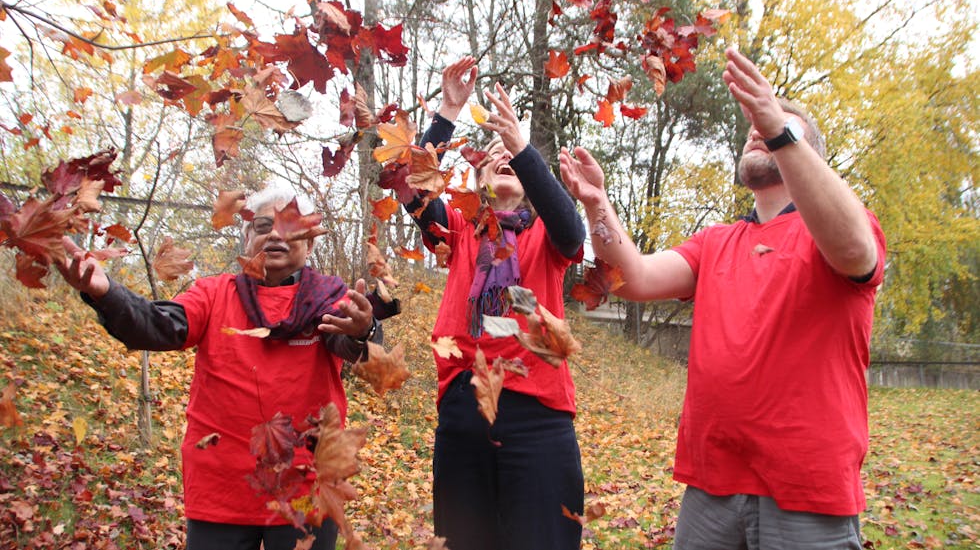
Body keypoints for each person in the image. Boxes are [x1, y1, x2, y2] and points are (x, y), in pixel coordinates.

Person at [559, 46, 887, 549]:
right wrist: (598, 205)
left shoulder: (842, 228)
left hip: (807, 490)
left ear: (808, 157)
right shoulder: (716, 242)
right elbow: (637, 277)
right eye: (755, 127)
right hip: (711, 486)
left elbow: (854, 251)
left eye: (778, 127)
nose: (759, 129)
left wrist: (778, 126)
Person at [55, 185, 383, 550]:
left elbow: (359, 354)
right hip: (221, 488)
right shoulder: (213, 293)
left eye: (291, 228)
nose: (275, 233)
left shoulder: (329, 299)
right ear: (246, 240)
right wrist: (106, 292)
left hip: (309, 485)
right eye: (262, 226)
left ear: (310, 245)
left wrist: (364, 332)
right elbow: (160, 326)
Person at [404, 57, 587, 550]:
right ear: (477, 179)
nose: (503, 157)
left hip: (538, 412)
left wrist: (522, 147)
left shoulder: (548, 234)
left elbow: (573, 229)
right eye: (492, 155)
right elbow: (410, 187)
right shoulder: (461, 230)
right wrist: (446, 111)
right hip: (465, 408)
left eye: (514, 158)